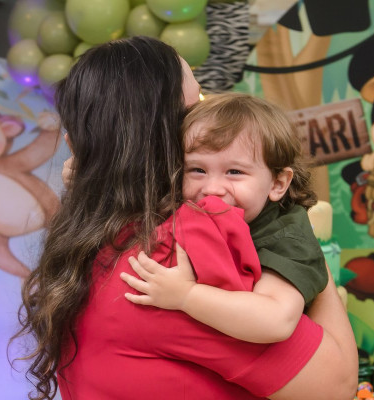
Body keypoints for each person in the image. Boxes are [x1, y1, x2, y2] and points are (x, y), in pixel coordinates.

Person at [11, 36, 358, 400]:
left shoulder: (90, 240)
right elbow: (335, 384)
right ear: (169, 139)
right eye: (196, 108)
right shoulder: (172, 258)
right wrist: (302, 247)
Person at [120, 92, 329, 346]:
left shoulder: (287, 236)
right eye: (198, 170)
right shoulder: (186, 209)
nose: (212, 188)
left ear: (278, 183)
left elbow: (275, 319)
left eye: (234, 172)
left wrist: (186, 295)